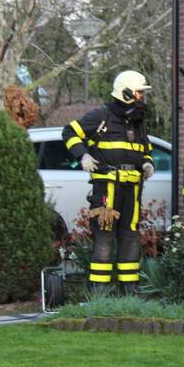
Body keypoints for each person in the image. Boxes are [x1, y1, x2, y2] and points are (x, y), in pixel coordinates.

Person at [62, 70, 154, 294]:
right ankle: (99, 293)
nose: (142, 97)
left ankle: (129, 291)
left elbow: (146, 148)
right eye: (139, 93)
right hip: (107, 189)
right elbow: (69, 132)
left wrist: (148, 163)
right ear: (126, 93)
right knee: (104, 236)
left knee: (130, 236)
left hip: (132, 189)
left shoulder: (137, 122)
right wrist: (83, 155)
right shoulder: (101, 115)